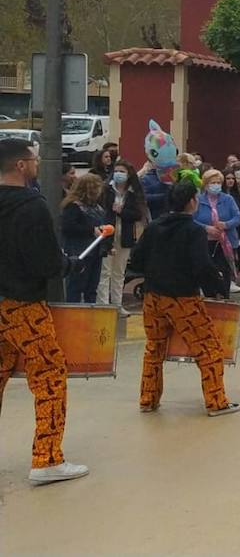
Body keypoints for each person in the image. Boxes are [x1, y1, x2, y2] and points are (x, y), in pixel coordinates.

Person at [0, 138, 90, 484]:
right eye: (33, 159)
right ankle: (47, 458)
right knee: (50, 375)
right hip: (23, 305)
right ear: (20, 166)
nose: (37, 163)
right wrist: (69, 265)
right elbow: (46, 262)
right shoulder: (32, 206)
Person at [129, 181, 240, 417]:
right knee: (208, 347)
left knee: (154, 348)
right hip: (183, 299)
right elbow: (202, 266)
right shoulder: (193, 231)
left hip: (153, 297)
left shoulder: (154, 226)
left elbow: (137, 259)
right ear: (191, 202)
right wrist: (218, 287)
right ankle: (216, 400)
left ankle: (148, 399)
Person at [97, 160, 145, 317]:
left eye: (122, 171)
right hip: (106, 235)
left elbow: (138, 214)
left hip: (125, 236)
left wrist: (122, 211)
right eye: (116, 171)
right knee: (105, 272)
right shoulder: (106, 190)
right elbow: (100, 210)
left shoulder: (134, 192)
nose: (119, 174)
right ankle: (103, 305)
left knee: (119, 272)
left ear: (129, 174)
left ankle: (117, 305)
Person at [193, 169, 240, 297]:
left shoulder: (228, 199)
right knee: (207, 269)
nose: (216, 185)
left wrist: (226, 224)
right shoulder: (198, 200)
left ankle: (225, 295)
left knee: (224, 269)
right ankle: (209, 295)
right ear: (205, 184)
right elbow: (192, 219)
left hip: (225, 241)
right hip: (205, 241)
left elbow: (238, 217)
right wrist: (206, 228)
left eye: (218, 182)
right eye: (212, 182)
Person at [60, 174, 107, 303]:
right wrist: (91, 230)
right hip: (80, 252)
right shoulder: (73, 206)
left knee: (92, 287)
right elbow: (68, 227)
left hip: (96, 251)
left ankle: (90, 311)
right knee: (76, 286)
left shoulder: (97, 207)